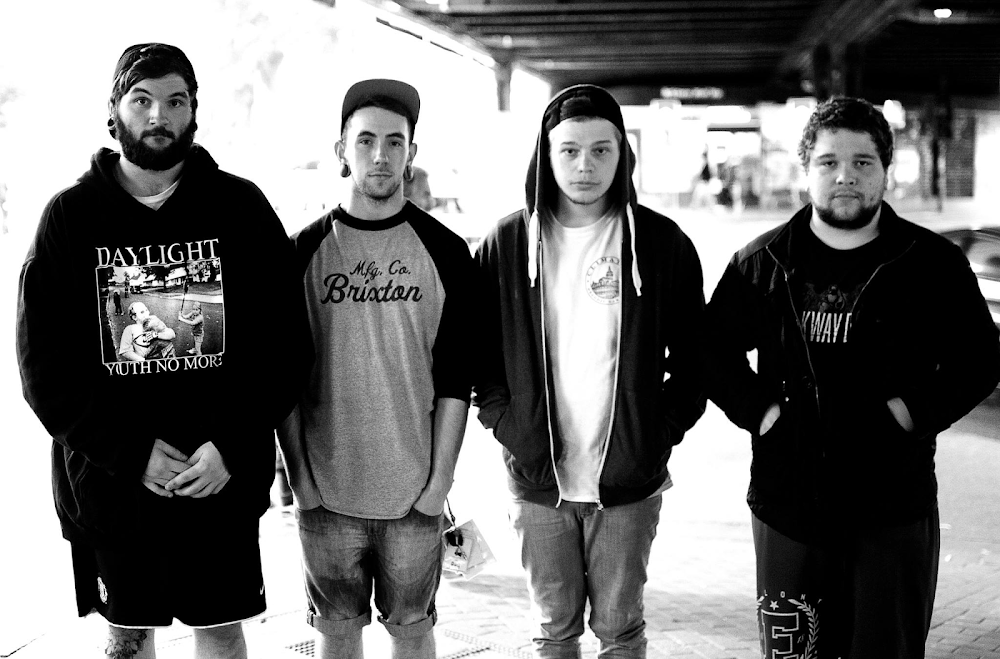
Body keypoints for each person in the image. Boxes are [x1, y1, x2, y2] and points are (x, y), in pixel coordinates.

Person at [16, 43, 307, 659]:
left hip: (217, 481)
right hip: (112, 488)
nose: (159, 116)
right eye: (142, 100)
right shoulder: (70, 219)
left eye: (175, 102)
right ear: (114, 111)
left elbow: (285, 347)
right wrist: (129, 453)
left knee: (221, 632)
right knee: (126, 637)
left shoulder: (241, 209)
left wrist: (232, 444)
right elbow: (44, 371)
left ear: (194, 112)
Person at [704, 96, 1000, 659]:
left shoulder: (931, 263)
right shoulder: (762, 262)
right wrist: (762, 413)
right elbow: (710, 351)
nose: (845, 176)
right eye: (828, 162)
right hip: (788, 503)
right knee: (795, 653)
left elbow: (981, 359)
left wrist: (910, 413)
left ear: (886, 170)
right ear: (807, 170)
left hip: (893, 505)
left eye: (863, 162)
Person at [473, 84, 707, 658]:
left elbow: (697, 359)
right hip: (538, 479)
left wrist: (656, 432)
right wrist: (509, 425)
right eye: (570, 150)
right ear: (546, 156)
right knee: (553, 629)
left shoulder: (662, 244)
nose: (585, 166)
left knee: (620, 628)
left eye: (601, 150)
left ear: (622, 155)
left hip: (628, 481)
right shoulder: (507, 243)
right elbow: (479, 356)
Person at [277, 78, 474, 659]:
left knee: (412, 631)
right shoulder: (301, 253)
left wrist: (437, 487)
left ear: (412, 153)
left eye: (395, 141)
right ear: (342, 150)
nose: (380, 155)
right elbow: (284, 382)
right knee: (336, 632)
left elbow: (455, 381)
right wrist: (301, 484)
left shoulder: (446, 252)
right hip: (326, 497)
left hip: (413, 497)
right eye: (365, 141)